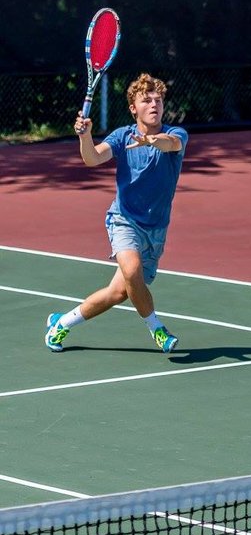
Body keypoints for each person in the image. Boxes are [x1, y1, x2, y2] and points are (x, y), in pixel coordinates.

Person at [44, 73, 188, 355]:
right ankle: (157, 329)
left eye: (158, 100)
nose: (154, 105)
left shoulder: (177, 134)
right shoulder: (122, 137)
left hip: (156, 229)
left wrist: (152, 141)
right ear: (133, 108)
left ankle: (62, 322)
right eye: (146, 100)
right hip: (124, 219)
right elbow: (93, 158)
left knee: (118, 292)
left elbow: (171, 144)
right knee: (132, 269)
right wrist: (85, 136)